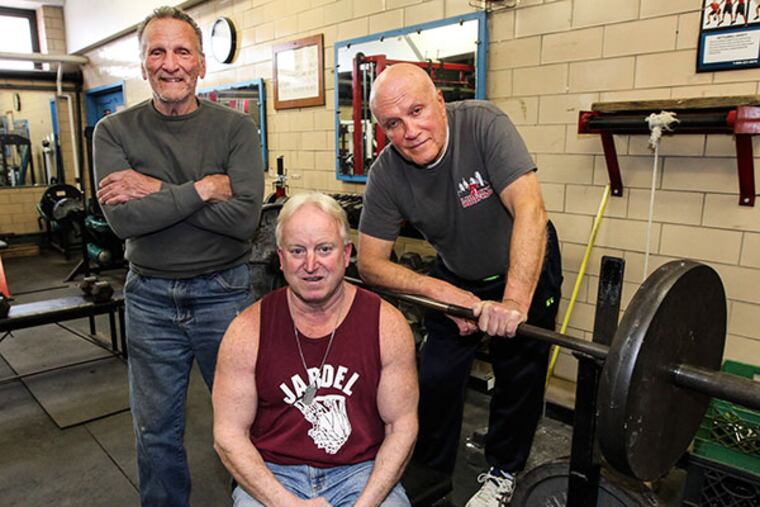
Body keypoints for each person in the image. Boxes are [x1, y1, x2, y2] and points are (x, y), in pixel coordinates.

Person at [357, 63, 562, 506]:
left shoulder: (484, 125)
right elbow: (370, 263)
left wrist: (513, 302)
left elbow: (530, 209)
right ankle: (431, 477)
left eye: (417, 111)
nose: (410, 130)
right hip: (456, 275)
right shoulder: (387, 174)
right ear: (382, 129)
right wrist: (446, 296)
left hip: (523, 264)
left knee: (518, 375)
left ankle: (503, 471)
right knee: (434, 375)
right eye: (394, 123)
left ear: (440, 102)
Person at [93, 6, 264, 506]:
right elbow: (124, 222)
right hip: (149, 299)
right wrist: (204, 190)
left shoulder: (235, 129)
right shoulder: (114, 132)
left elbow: (243, 223)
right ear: (143, 64)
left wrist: (153, 191)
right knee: (156, 435)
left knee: (246, 426)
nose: (171, 63)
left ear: (202, 64)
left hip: (225, 293)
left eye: (183, 51)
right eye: (157, 52)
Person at [212, 192, 418, 506]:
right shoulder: (246, 331)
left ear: (347, 253)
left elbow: (401, 426)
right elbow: (228, 435)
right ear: (280, 258)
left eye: (324, 249)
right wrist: (288, 504)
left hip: (360, 471)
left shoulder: (386, 325)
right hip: (275, 473)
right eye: (297, 251)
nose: (311, 265)